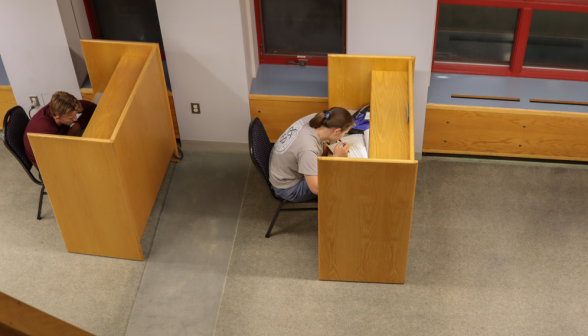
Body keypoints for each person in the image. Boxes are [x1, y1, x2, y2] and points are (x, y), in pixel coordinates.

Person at [269, 107, 355, 202]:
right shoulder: (308, 150)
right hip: (288, 188)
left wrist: (325, 147)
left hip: (280, 170)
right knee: (342, 181)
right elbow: (317, 189)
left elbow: (318, 145)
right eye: (344, 133)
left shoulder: (316, 118)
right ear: (336, 131)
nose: (343, 136)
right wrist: (336, 159)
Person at [24, 91, 97, 169]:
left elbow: (92, 108)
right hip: (47, 164)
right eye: (71, 118)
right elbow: (60, 159)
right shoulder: (46, 132)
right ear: (58, 118)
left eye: (76, 115)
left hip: (59, 147)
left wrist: (76, 127)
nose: (75, 119)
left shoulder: (61, 107)